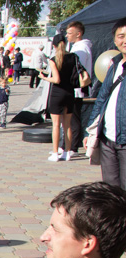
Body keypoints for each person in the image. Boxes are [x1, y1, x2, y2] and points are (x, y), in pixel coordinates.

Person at [85, 18, 126, 188]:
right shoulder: (115, 64)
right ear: (115, 39)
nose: (125, 41)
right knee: (110, 191)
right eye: (121, 36)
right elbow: (102, 99)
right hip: (108, 138)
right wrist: (90, 130)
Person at [41, 34, 78, 162]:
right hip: (70, 92)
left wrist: (45, 78)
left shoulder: (53, 59)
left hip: (57, 93)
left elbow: (56, 79)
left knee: (56, 125)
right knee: (67, 125)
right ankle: (67, 152)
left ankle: (55, 152)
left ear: (54, 45)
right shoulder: (73, 57)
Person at [67, 21, 94, 154]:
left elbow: (78, 68)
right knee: (72, 117)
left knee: (74, 117)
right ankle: (70, 145)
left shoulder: (81, 49)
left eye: (70, 33)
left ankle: (74, 147)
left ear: (78, 34)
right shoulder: (77, 47)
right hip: (75, 88)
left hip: (77, 88)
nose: (67, 36)